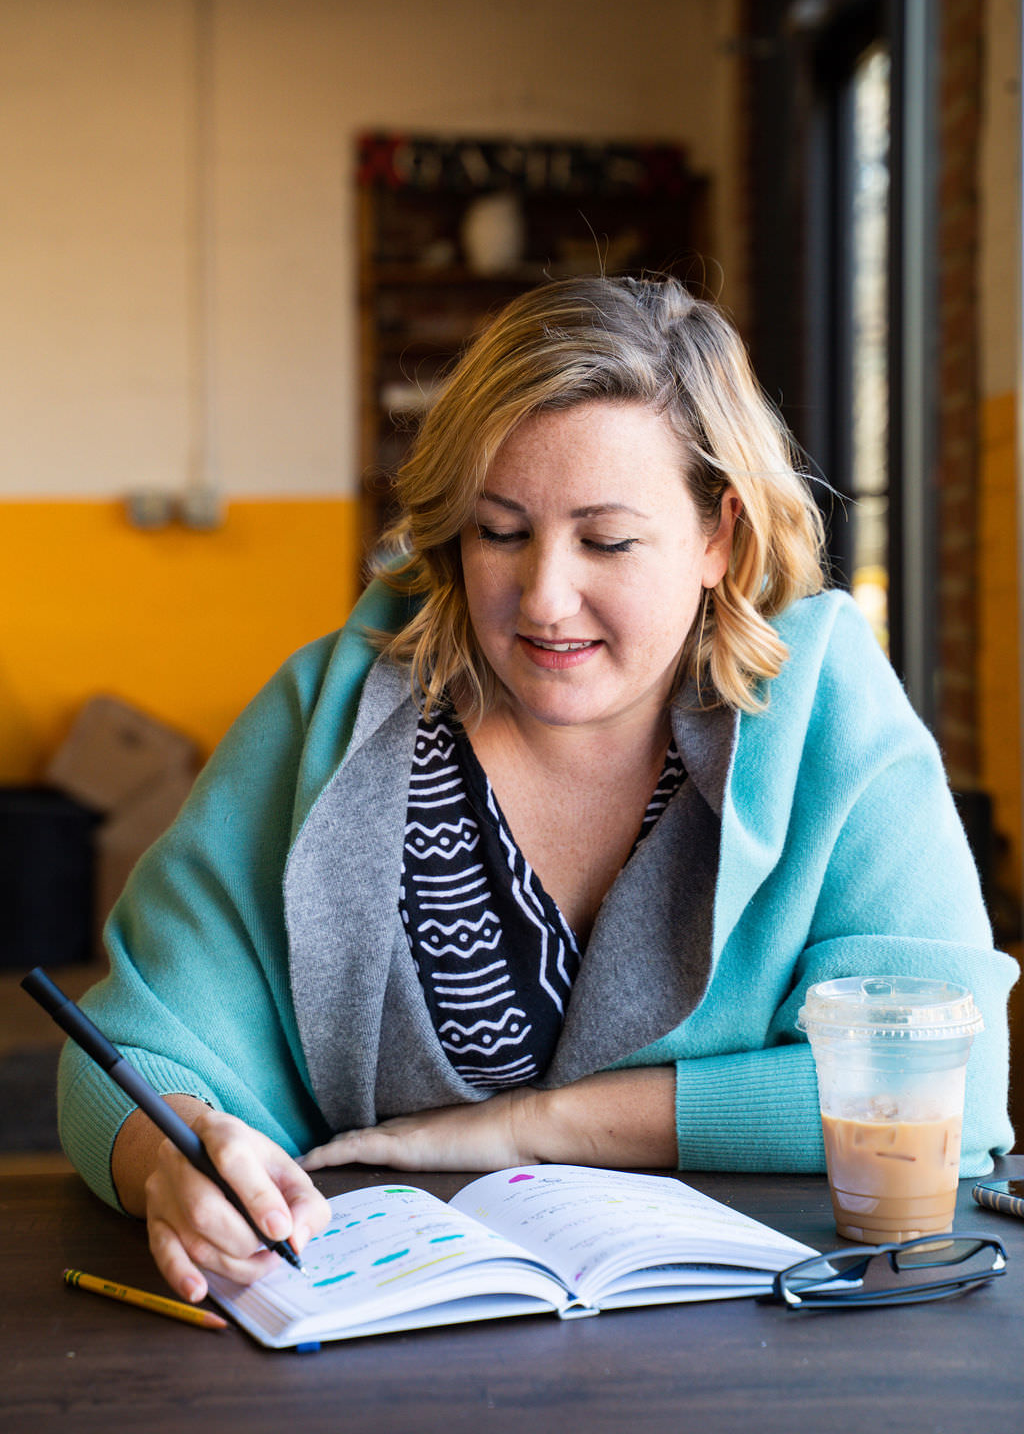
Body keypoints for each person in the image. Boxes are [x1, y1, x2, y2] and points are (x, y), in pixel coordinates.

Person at [58, 275, 1018, 1307]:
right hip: (382, 1350)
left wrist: (532, 1126)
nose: (545, 598)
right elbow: (131, 1058)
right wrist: (174, 1159)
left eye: (606, 540)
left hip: (758, 1367)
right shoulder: (322, 725)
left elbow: (950, 1094)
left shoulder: (826, 712)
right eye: (499, 531)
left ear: (718, 538)